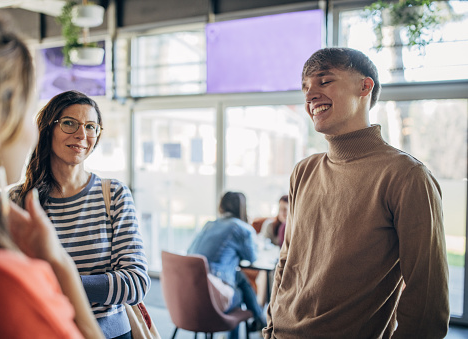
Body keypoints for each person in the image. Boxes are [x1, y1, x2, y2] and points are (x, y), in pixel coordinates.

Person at [263, 47, 449, 338]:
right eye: (305, 88)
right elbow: (286, 261)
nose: (310, 95)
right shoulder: (304, 171)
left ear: (365, 87)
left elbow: (428, 303)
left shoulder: (406, 176)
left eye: (324, 82)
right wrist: (271, 327)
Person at [0, 4, 104, 339]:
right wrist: (57, 266)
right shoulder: (3, 287)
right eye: (29, 108)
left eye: (91, 127)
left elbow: (134, 279)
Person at [11, 90, 150, 339]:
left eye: (90, 126)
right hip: (43, 331)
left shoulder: (114, 194)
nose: (81, 135)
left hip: (110, 334)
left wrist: (60, 282)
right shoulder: (19, 200)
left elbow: (136, 282)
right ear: (48, 128)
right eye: (69, 123)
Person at [187, 191, 266, 338]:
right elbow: (252, 257)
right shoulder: (241, 228)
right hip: (211, 298)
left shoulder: (209, 225)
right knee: (241, 294)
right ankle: (260, 320)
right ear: (242, 208)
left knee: (238, 277)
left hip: (188, 295)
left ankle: (260, 319)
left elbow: (189, 251)